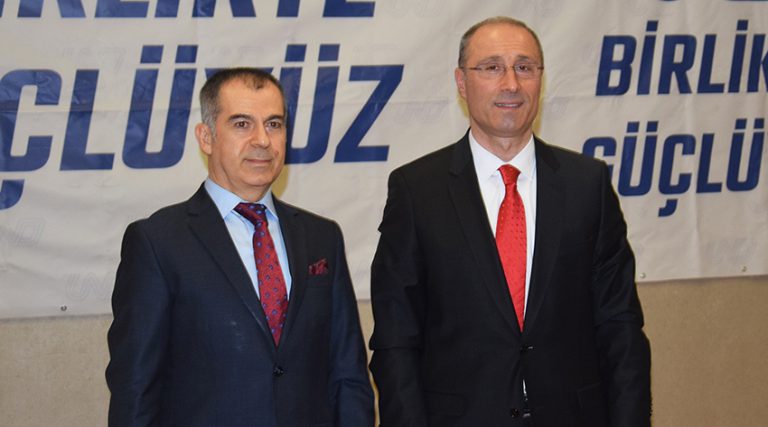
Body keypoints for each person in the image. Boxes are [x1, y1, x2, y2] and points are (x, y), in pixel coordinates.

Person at [369, 17, 651, 427]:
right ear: (462, 83)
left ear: (541, 79)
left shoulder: (587, 185)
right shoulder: (417, 191)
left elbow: (620, 326)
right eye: (491, 67)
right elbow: (396, 338)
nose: (511, 84)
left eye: (524, 67)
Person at [106, 68, 374, 427]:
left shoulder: (322, 237)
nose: (262, 140)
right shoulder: (157, 242)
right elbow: (135, 388)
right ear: (206, 137)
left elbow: (348, 373)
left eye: (274, 124)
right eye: (242, 124)